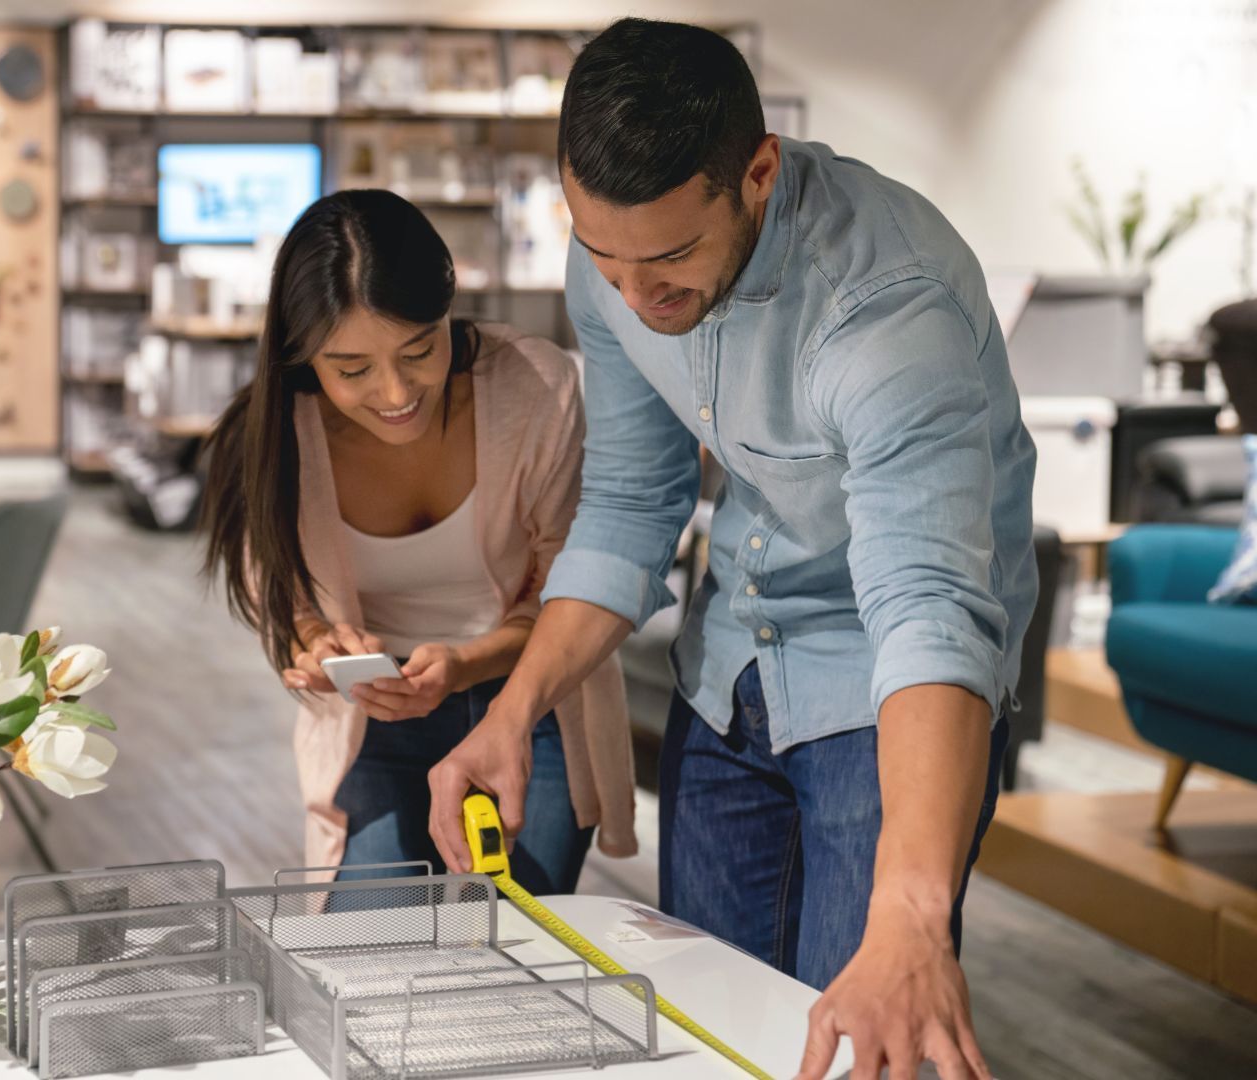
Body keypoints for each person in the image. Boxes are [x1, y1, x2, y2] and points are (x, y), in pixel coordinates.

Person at [425, 19, 1037, 1080]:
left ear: (759, 172)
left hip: (883, 688)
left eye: (668, 259)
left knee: (856, 1042)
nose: (634, 297)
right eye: (603, 256)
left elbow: (930, 609)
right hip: (732, 665)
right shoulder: (611, 263)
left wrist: (910, 914)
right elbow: (628, 501)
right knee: (706, 1037)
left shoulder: (886, 314)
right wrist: (514, 715)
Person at [200, 189, 636, 895]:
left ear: (448, 309)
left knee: (513, 945)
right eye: (352, 370)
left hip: (530, 706)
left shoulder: (532, 387)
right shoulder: (275, 434)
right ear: (303, 354)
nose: (397, 391)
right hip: (372, 724)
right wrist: (314, 646)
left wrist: (467, 665)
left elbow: (571, 585)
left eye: (419, 349)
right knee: (372, 956)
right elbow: (278, 593)